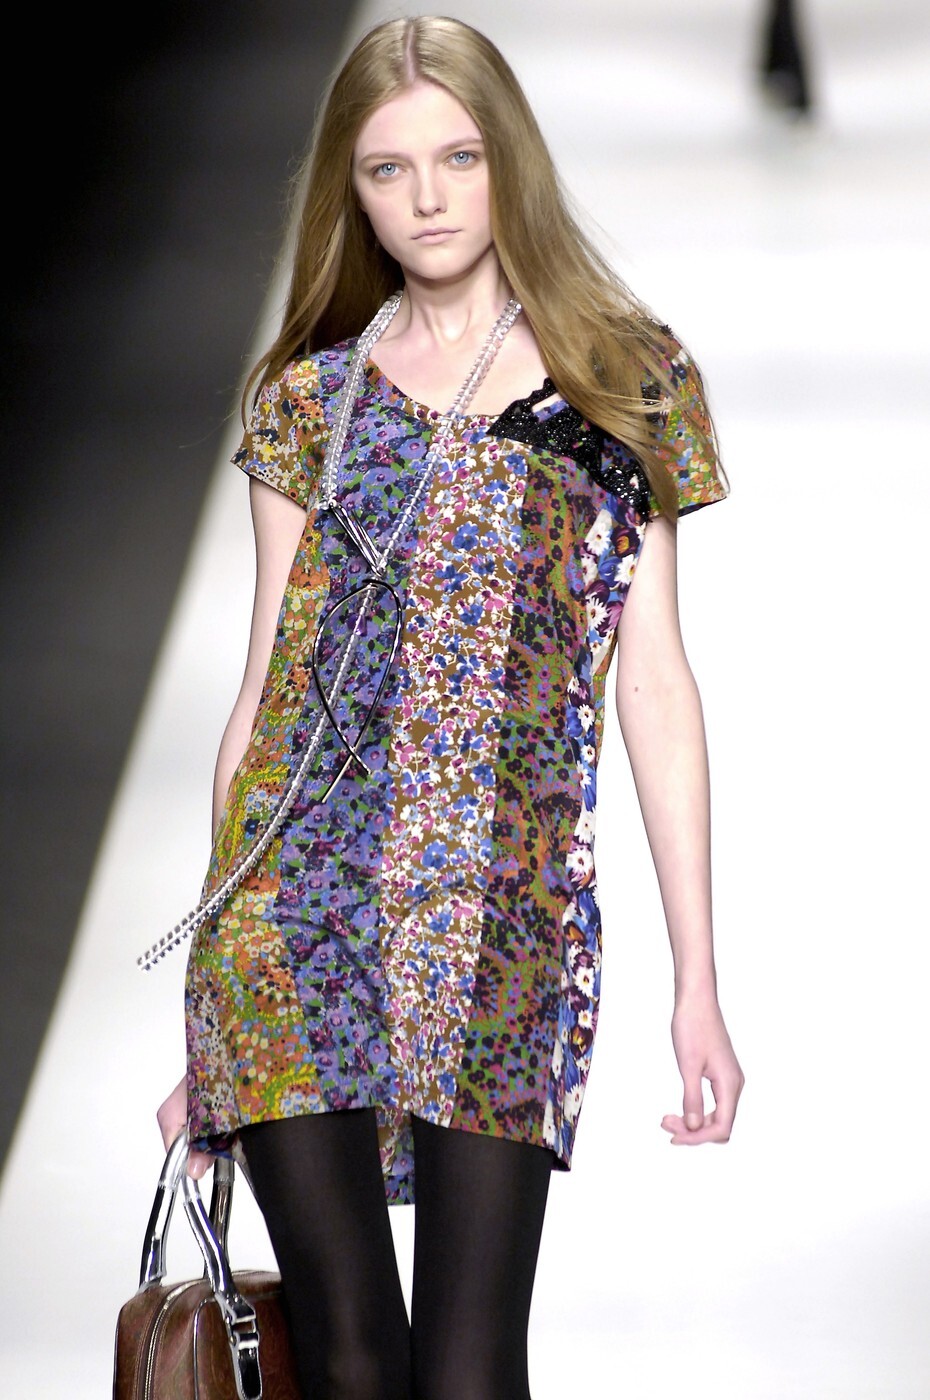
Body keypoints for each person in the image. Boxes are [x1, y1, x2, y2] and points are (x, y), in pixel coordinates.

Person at [154, 15, 744, 1399]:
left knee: (473, 1364)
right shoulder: (309, 403)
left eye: (459, 158)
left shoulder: (622, 382)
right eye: (388, 168)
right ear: (350, 193)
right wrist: (206, 1016)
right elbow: (264, 692)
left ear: (508, 163)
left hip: (500, 920)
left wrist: (697, 983)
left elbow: (653, 679)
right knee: (351, 1357)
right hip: (295, 921)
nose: (426, 198)